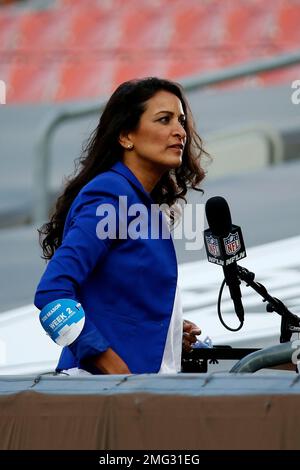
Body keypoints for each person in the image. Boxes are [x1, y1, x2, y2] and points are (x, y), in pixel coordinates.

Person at [34, 77, 207, 375]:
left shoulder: (140, 202)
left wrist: (165, 333)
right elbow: (52, 295)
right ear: (126, 135)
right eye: (164, 120)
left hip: (140, 394)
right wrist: (111, 367)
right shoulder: (111, 194)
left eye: (181, 120)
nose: (180, 131)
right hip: (102, 397)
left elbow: (119, 303)